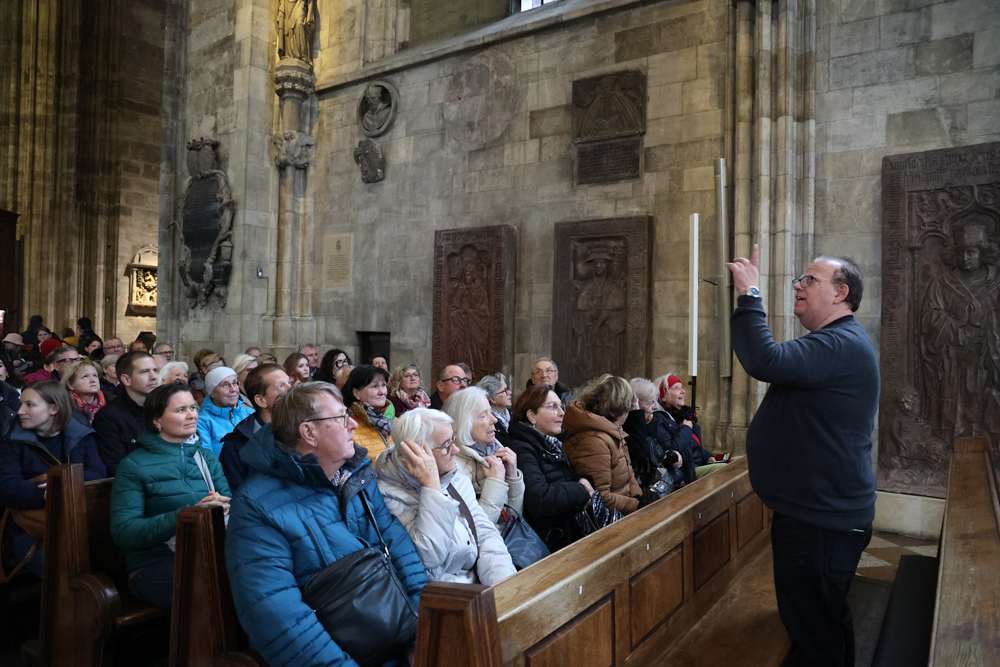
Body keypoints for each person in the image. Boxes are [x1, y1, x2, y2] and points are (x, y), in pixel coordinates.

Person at [727, 245, 878, 666]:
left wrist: (750, 295)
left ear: (840, 293)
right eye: (800, 279)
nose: (798, 285)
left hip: (821, 521)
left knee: (814, 634)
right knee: (823, 620)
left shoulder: (841, 343)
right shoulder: (835, 342)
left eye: (810, 280)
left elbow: (764, 358)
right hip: (817, 514)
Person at [225, 382, 427, 666]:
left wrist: (422, 637)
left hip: (399, 639)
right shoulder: (257, 505)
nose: (353, 424)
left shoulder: (356, 476)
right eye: (342, 417)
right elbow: (275, 615)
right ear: (309, 432)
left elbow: (400, 549)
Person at [110, 382, 230, 607]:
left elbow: (227, 504)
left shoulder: (206, 458)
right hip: (155, 564)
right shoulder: (134, 465)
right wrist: (187, 516)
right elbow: (125, 532)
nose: (192, 415)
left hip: (206, 552)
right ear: (157, 420)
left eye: (193, 408)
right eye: (181, 410)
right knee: (221, 579)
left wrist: (224, 507)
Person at [375, 408, 516, 585]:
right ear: (418, 455)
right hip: (444, 593)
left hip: (479, 583)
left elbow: (485, 534)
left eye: (453, 440)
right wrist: (432, 487)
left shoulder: (453, 476)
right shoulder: (387, 494)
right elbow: (430, 557)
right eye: (447, 445)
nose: (456, 450)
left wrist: (505, 586)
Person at [0, 380, 107, 576]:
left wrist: (60, 486)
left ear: (54, 409)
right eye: (21, 404)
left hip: (80, 519)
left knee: (109, 554)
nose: (20, 411)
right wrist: (46, 493)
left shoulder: (81, 435)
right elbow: (7, 487)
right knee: (61, 563)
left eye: (30, 405)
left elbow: (98, 473)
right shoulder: (12, 440)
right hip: (31, 525)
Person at [501, 385, 595, 552]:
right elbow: (540, 499)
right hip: (549, 542)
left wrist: (581, 479)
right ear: (532, 416)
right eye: (553, 407)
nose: (562, 412)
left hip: (566, 534)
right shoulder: (522, 448)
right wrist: (581, 490)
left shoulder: (551, 443)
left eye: (561, 406)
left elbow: (559, 479)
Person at [443, 386, 524, 528]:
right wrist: (496, 482)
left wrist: (513, 477)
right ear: (463, 423)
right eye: (483, 415)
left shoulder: (496, 451)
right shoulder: (452, 468)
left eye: (491, 412)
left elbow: (514, 516)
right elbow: (475, 530)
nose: (494, 420)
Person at [562, 374, 642, 515]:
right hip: (612, 519)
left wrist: (638, 496)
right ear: (621, 408)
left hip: (625, 509)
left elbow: (630, 475)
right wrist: (635, 505)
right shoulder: (593, 441)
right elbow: (601, 497)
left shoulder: (614, 430)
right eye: (629, 407)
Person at [218, 363, 291, 491]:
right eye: (281, 386)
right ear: (261, 400)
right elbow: (238, 495)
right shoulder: (237, 445)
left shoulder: (303, 432)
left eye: (289, 382)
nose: (291, 388)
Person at [92, 351, 160, 476]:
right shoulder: (108, 417)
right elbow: (117, 466)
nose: (154, 377)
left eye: (155, 370)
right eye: (144, 372)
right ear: (126, 379)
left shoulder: (164, 409)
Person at [196, 366, 254, 457]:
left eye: (235, 383)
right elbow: (207, 459)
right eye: (225, 385)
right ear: (212, 392)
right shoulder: (202, 421)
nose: (233, 389)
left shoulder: (250, 413)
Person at [342, 365, 395, 460]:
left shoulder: (399, 422)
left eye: (383, 385)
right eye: (374, 386)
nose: (382, 392)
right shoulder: (349, 427)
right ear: (356, 393)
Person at [62, 358, 107, 424]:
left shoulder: (112, 401)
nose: (93, 380)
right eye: (85, 376)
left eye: (95, 375)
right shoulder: (63, 408)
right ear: (70, 385)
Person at [476, 373, 513, 440]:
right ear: (492, 399)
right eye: (505, 390)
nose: (510, 392)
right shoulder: (488, 424)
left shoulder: (513, 415)